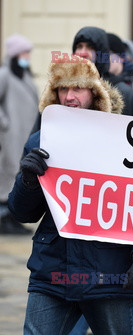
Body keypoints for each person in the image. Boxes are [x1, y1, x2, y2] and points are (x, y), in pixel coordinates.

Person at [8, 59, 133, 335]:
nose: (69, 97)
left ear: (95, 93)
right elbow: (22, 213)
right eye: (62, 89)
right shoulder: (41, 140)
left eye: (78, 88)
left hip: (109, 272)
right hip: (53, 271)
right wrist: (28, 180)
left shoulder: (123, 142)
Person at [0, 33, 38, 235]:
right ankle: (5, 218)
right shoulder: (5, 74)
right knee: (8, 175)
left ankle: (13, 218)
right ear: (15, 54)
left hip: (24, 135)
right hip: (10, 137)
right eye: (24, 53)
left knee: (18, 172)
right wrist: (5, 123)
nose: (27, 56)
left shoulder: (24, 75)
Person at [72, 26, 133, 117]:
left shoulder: (123, 92)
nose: (83, 53)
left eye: (90, 47)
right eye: (79, 46)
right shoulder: (64, 86)